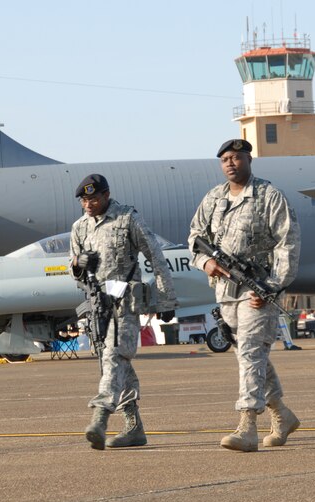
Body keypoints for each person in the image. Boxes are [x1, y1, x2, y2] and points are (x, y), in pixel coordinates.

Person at [188, 138, 301, 452]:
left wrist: (273, 286)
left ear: (249, 160)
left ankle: (247, 425)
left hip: (258, 289)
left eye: (236, 157)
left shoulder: (269, 196)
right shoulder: (213, 198)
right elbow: (196, 237)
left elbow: (287, 244)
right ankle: (282, 416)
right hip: (226, 292)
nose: (230, 163)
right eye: (225, 159)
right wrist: (206, 262)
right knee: (249, 356)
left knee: (251, 352)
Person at [70, 173, 177, 450]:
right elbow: (76, 275)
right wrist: (78, 264)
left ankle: (100, 416)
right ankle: (133, 426)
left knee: (115, 354)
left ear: (106, 195)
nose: (88, 204)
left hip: (125, 301)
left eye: (93, 198)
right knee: (114, 363)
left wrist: (165, 300)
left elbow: (155, 255)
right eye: (84, 200)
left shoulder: (127, 218)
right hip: (97, 303)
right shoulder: (80, 228)